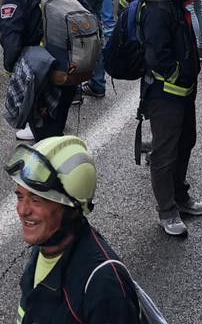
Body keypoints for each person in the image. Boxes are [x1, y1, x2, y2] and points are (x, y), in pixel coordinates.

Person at [10, 135, 147, 323]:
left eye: (36, 200)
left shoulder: (103, 285)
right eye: (20, 197)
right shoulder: (45, 246)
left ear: (72, 210)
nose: (22, 210)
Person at [137, 0, 202, 236]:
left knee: (185, 141)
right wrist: (178, 75)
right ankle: (167, 210)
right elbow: (157, 56)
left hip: (182, 90)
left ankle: (180, 196)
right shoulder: (157, 7)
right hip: (165, 94)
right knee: (165, 153)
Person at [0, 0, 80, 139]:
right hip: (70, 69)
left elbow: (11, 42)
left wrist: (15, 73)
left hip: (41, 75)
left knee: (45, 141)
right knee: (56, 131)